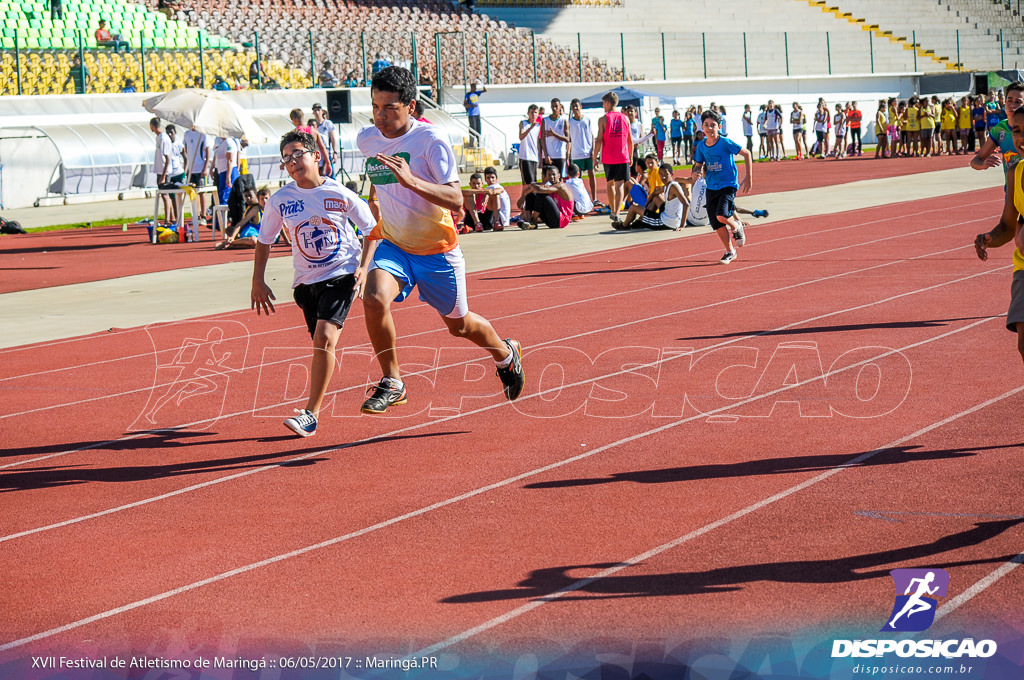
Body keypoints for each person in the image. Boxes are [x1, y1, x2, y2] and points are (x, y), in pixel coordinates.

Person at [355, 65, 524, 414]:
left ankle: (505, 354)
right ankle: (394, 381)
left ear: (411, 106)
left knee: (460, 327)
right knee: (372, 298)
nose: (380, 116)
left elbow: (454, 199)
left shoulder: (430, 141)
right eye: (375, 106)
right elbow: (381, 178)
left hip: (437, 251)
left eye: (389, 108)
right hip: (395, 244)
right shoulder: (366, 139)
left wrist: (412, 182)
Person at [251, 131, 375, 437]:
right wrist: (258, 280)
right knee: (321, 345)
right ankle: (314, 408)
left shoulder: (341, 194)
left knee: (324, 339)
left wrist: (364, 268)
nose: (292, 163)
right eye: (286, 159)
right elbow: (264, 241)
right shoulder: (280, 200)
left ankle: (311, 413)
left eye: (297, 155)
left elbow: (372, 231)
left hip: (341, 274)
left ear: (315, 156)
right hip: (305, 285)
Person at [974, 106, 1024, 366]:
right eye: (1016, 130)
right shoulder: (1016, 171)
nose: (1021, 137)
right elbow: (1007, 225)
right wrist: (989, 238)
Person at [691, 110, 752, 264]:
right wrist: (696, 172)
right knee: (716, 223)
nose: (709, 128)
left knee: (722, 215)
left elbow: (747, 153)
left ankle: (736, 226)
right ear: (702, 127)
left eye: (713, 125)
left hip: (728, 184)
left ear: (719, 126)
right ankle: (730, 251)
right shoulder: (701, 146)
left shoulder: (725, 142)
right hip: (711, 185)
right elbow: (698, 165)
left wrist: (748, 176)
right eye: (706, 125)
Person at [970, 82, 1024, 184]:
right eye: (1009, 100)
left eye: (1018, 102)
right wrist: (984, 163)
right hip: (1012, 194)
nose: (1012, 105)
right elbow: (975, 161)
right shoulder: (999, 130)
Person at [592, 90, 633, 222]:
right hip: (622, 156)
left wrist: (594, 157)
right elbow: (630, 140)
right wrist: (630, 156)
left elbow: (598, 140)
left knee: (610, 183)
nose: (603, 105)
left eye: (604, 103)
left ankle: (613, 209)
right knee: (620, 184)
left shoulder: (603, 119)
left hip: (609, 157)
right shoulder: (625, 118)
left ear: (608, 103)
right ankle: (616, 211)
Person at [518, 164, 574, 230]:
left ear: (559, 176)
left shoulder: (561, 186)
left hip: (561, 221)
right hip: (551, 220)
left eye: (553, 174)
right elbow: (531, 187)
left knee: (541, 193)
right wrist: (523, 196)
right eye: (549, 175)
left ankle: (533, 221)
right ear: (546, 176)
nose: (551, 177)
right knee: (531, 195)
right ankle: (528, 219)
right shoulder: (549, 186)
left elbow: (539, 189)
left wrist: (525, 194)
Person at [183, 127, 214, 227]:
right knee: (192, 193)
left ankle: (203, 216)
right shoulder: (187, 134)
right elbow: (185, 151)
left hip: (200, 169)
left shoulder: (202, 134)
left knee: (202, 193)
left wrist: (205, 168)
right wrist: (186, 167)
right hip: (191, 170)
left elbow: (208, 151)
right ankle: (195, 216)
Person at [567, 98, 597, 200]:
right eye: (573, 106)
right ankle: (580, 198)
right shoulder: (570, 122)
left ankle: (594, 198)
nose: (575, 108)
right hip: (576, 153)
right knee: (577, 178)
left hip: (588, 152)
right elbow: (569, 139)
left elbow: (592, 135)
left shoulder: (587, 120)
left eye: (577, 106)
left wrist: (593, 150)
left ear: (581, 107)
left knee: (591, 174)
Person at [290, 108, 332, 177]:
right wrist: (328, 163)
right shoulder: (314, 131)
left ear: (294, 119)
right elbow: (323, 148)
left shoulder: (294, 133)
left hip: (302, 164)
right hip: (314, 162)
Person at [150, 118, 176, 223]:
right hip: (160, 170)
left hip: (164, 171)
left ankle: (167, 219)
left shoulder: (163, 138)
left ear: (152, 126)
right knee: (164, 195)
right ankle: (172, 217)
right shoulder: (159, 137)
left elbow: (167, 159)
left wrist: (164, 176)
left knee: (165, 195)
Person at [540, 98, 569, 176]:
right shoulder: (545, 120)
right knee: (546, 179)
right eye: (552, 106)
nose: (554, 108)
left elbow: (568, 139)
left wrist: (554, 134)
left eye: (556, 106)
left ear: (560, 106)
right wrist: (546, 155)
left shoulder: (564, 120)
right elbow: (542, 139)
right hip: (549, 155)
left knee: (559, 179)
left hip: (560, 155)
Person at [312, 102, 339, 178]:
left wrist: (335, 152)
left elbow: (332, 138)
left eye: (318, 110)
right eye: (315, 111)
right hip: (317, 155)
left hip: (327, 153)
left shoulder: (327, 123)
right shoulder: (313, 125)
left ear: (322, 111)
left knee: (330, 175)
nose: (317, 112)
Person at [517, 104, 541, 186]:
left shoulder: (539, 126)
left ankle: (533, 198)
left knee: (534, 180)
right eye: (531, 112)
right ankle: (526, 198)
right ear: (528, 113)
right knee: (527, 181)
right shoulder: (523, 123)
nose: (533, 114)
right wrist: (531, 127)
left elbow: (538, 142)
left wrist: (540, 156)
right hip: (525, 156)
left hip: (534, 156)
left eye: (535, 112)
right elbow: (521, 136)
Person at [213, 135, 239, 207]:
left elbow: (230, 160)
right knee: (221, 195)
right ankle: (221, 217)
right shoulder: (222, 142)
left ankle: (223, 217)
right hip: (222, 172)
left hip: (228, 172)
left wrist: (228, 176)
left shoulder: (229, 142)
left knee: (225, 197)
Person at [463, 80, 486, 147]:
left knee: (478, 128)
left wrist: (481, 84)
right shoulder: (468, 94)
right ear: (471, 87)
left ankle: (479, 143)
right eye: (474, 87)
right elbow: (465, 104)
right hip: (471, 114)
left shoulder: (477, 93)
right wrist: (471, 106)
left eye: (475, 87)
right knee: (473, 128)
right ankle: (472, 143)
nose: (475, 88)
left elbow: (485, 90)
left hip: (477, 113)